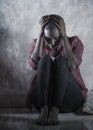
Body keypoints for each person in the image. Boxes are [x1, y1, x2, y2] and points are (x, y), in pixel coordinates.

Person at [26, 14, 88, 125]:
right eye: (48, 39)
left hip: (67, 99)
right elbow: (33, 65)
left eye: (56, 38)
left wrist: (64, 38)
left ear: (62, 33)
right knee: (44, 59)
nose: (52, 43)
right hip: (42, 99)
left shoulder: (75, 42)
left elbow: (73, 65)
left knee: (61, 60)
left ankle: (55, 110)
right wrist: (40, 37)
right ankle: (44, 110)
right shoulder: (36, 43)